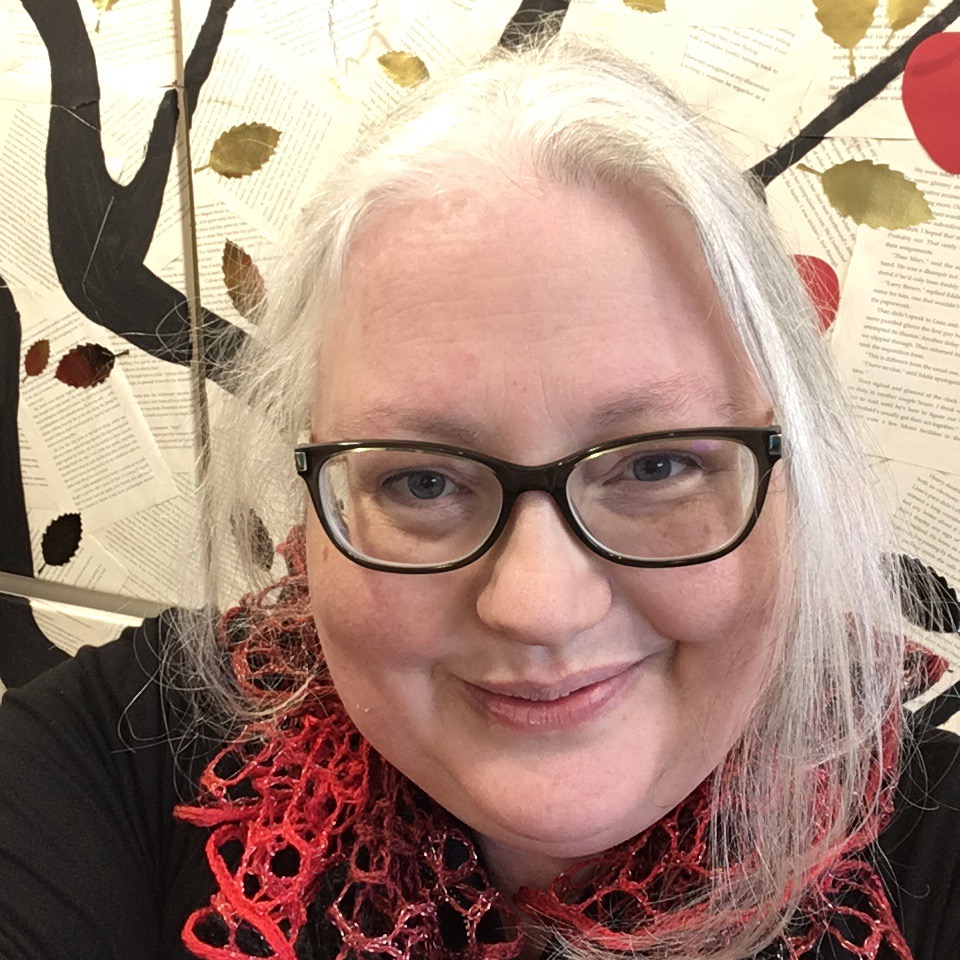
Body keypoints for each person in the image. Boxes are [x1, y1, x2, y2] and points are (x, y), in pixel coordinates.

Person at [1, 23, 958, 960]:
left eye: (656, 466)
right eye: (423, 481)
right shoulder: (125, 753)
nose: (538, 607)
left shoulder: (933, 844)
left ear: (795, 480)